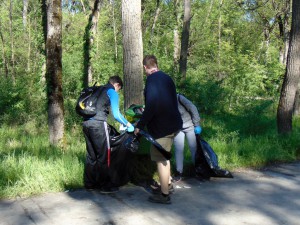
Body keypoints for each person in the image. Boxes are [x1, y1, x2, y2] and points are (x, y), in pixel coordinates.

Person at [134, 55, 183, 204]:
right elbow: (169, 100)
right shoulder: (167, 78)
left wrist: (140, 125)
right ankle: (167, 185)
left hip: (163, 128)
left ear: (145, 68)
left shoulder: (151, 80)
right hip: (175, 124)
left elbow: (152, 105)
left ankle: (164, 195)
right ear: (156, 64)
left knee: (161, 159)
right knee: (165, 157)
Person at [82, 75, 134, 193]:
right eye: (119, 89)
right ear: (117, 85)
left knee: (91, 155)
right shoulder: (112, 92)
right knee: (104, 155)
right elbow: (116, 114)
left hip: (86, 124)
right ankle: (105, 185)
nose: (118, 91)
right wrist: (128, 125)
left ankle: (90, 184)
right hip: (99, 125)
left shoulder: (98, 89)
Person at [172, 93, 202, 182]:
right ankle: (179, 173)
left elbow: (193, 108)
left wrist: (197, 124)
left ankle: (198, 171)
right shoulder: (165, 102)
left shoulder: (179, 98)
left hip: (190, 126)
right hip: (177, 128)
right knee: (178, 149)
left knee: (194, 149)